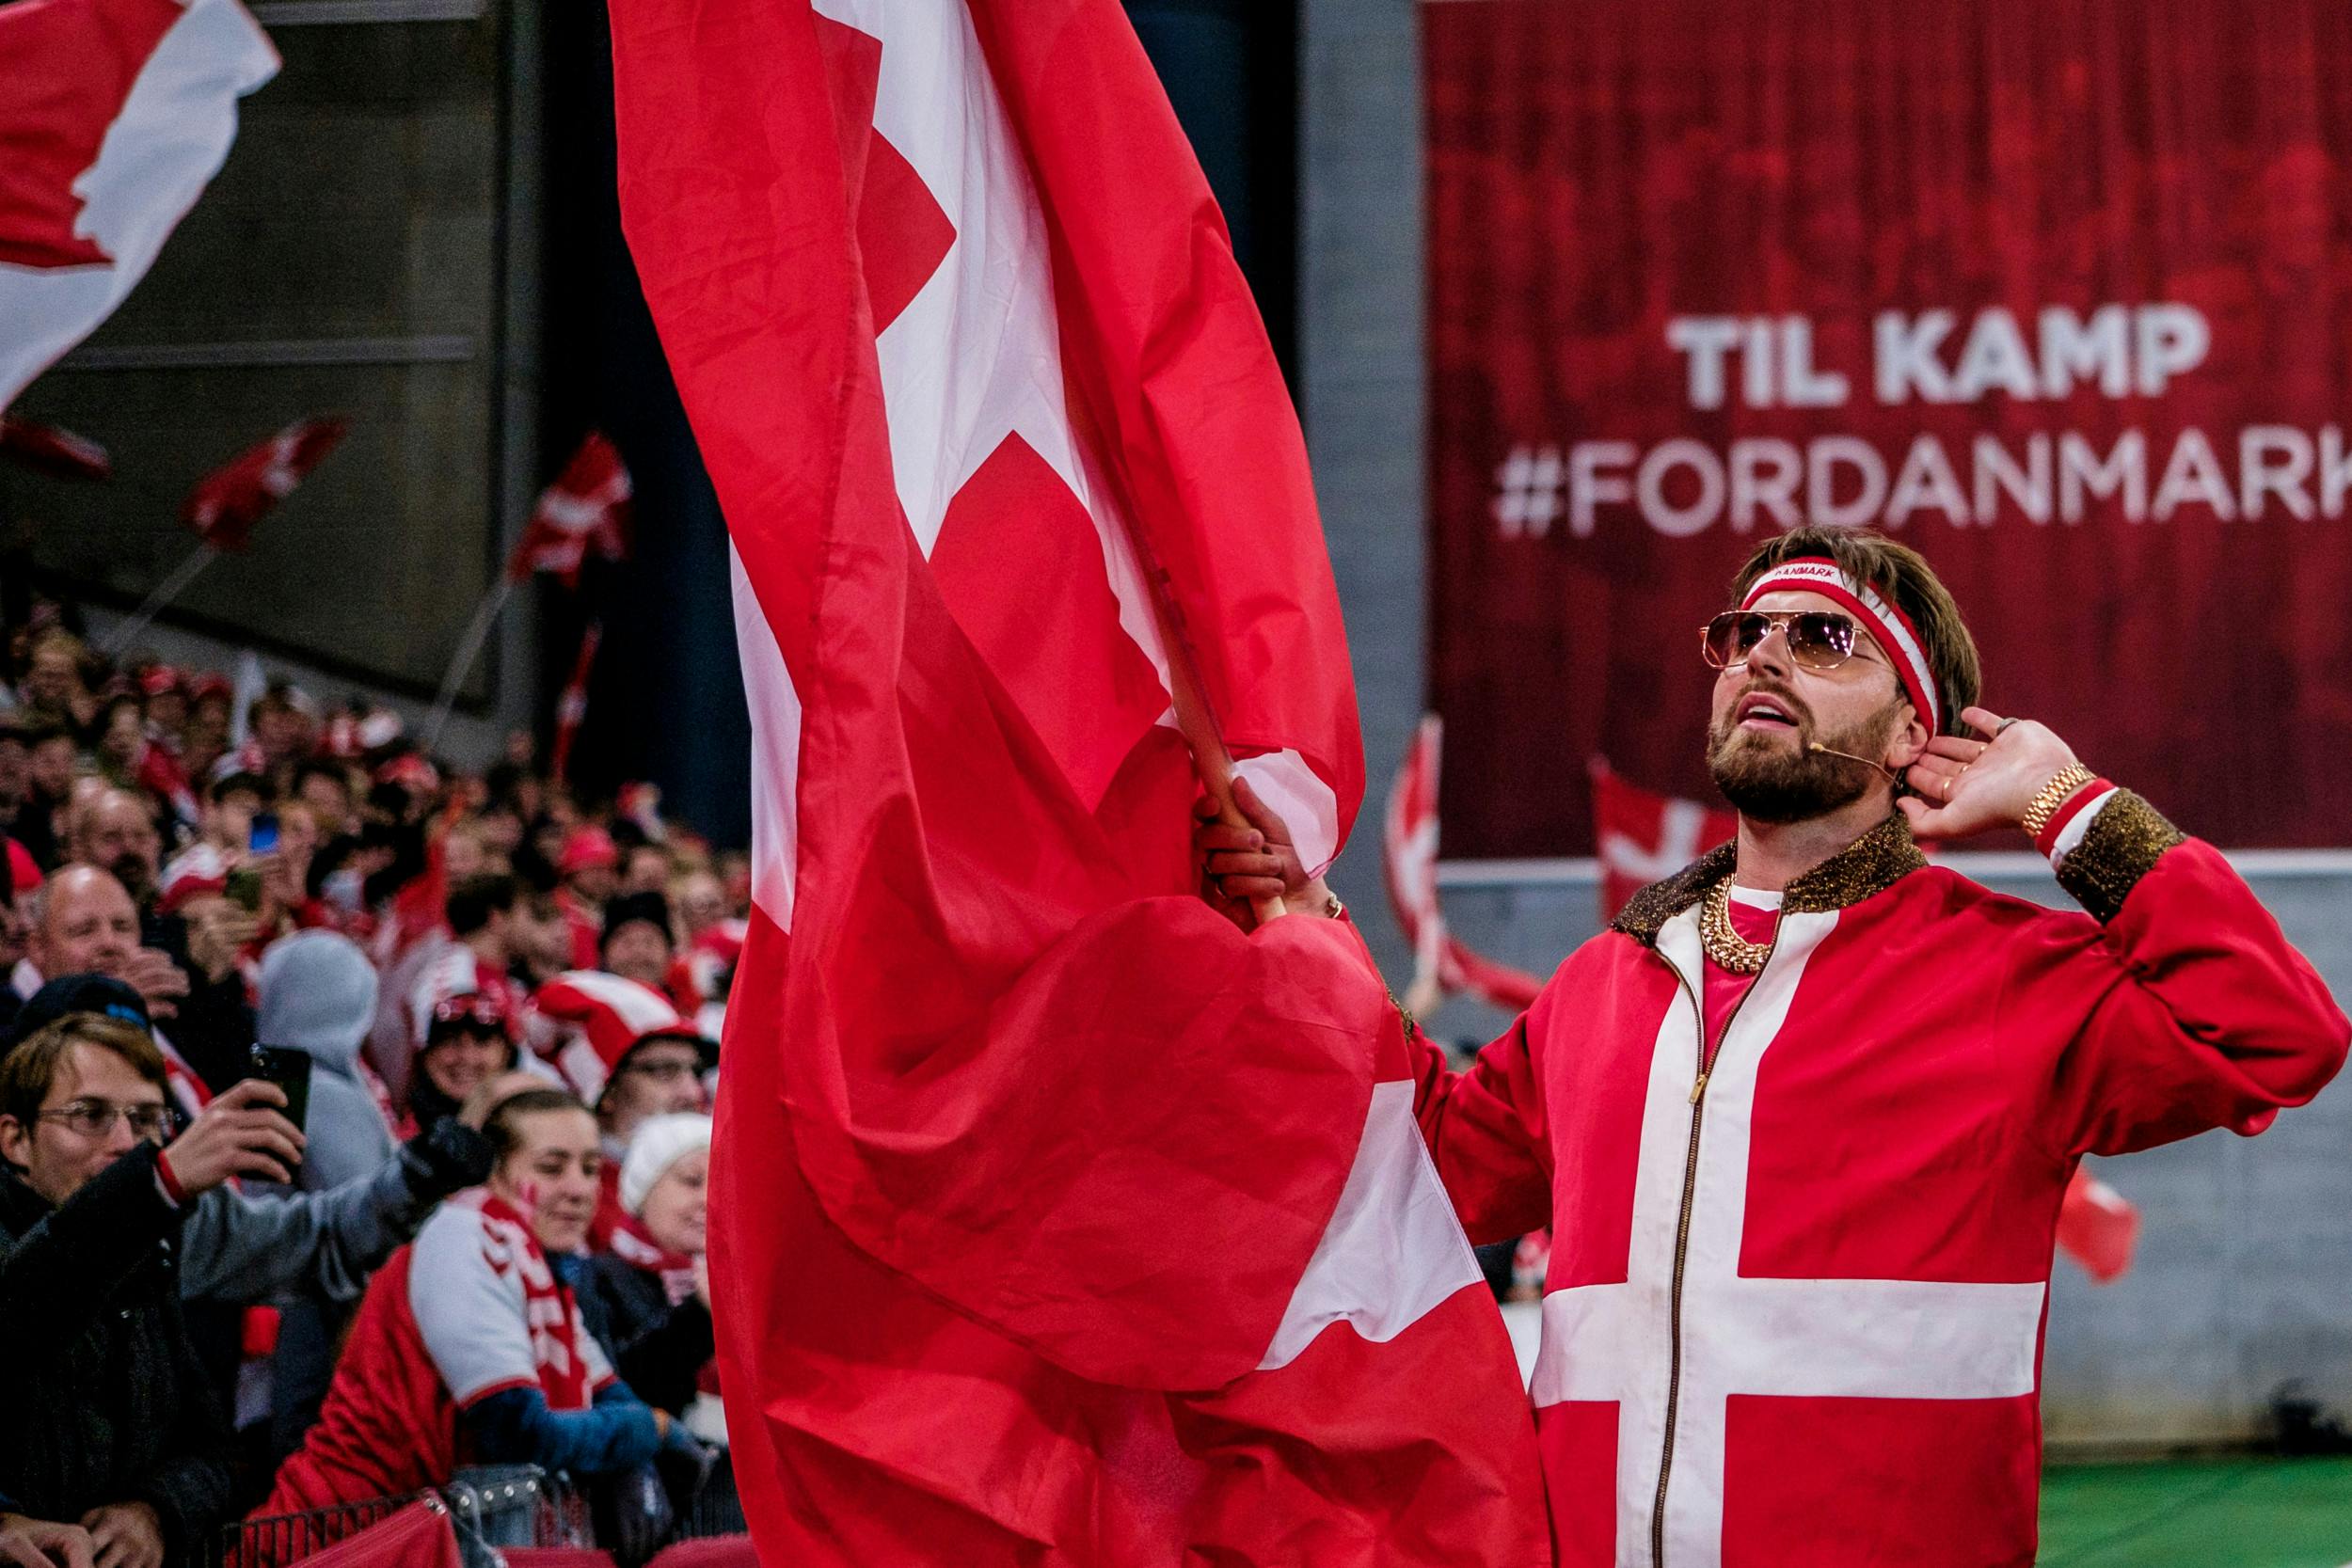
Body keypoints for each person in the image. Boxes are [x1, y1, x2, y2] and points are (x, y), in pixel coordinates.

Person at [1196, 527, 2350, 1568]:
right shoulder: (1607, 978)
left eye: (1823, 637)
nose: (1763, 652)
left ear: (1914, 728)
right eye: (1745, 633)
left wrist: (2068, 803)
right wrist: (1310, 931)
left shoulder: (2011, 974)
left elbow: (2276, 1031)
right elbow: (1435, 1161)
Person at [257, 1087, 697, 1524]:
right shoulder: (463, 1238)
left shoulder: (541, 1266)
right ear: (495, 1173)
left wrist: (647, 1433)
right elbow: (517, 1432)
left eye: (589, 1168)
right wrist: (653, 1431)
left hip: (423, 1531)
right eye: (551, 1167)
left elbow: (611, 1396)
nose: (579, 1189)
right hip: (347, 1534)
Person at [0, 1014, 306, 1568]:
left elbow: (215, 1455)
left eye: (144, 1120)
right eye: (89, 1116)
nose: (124, 1144)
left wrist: (157, 1511)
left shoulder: (149, 1259)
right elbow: (21, 1315)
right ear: (15, 1139)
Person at [578, 1113, 720, 1439]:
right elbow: (618, 1390)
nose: (708, 1198)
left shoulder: (746, 1285)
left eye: (722, 1182)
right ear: (644, 1190)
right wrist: (699, 1312)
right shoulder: (599, 1278)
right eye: (692, 1181)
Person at [402, 992, 519, 1139]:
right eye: (450, 1041)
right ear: (426, 1055)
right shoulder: (394, 1129)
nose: (466, 1057)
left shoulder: (529, 1130)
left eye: (482, 1041)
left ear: (506, 1054)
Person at [598, 891, 674, 990]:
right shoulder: (584, 999)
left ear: (669, 951)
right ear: (605, 952)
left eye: (649, 942)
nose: (639, 952)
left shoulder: (685, 1004)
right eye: (627, 943)